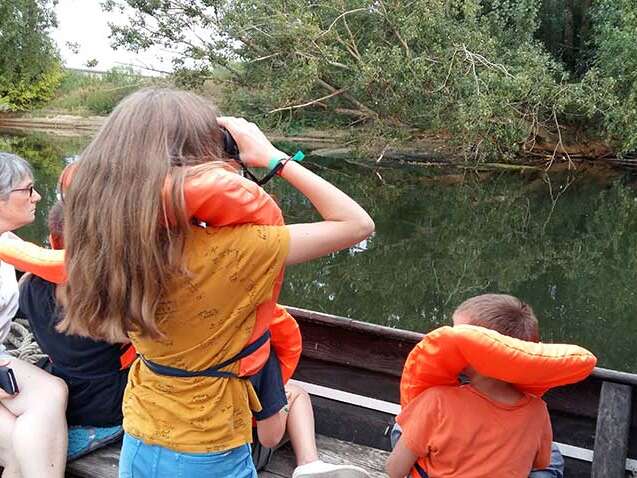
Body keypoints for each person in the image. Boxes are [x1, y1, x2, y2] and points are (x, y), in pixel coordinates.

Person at [59, 88, 375, 478]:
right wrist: (272, 158)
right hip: (208, 444)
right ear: (203, 159)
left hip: (140, 428)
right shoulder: (236, 250)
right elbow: (356, 224)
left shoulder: (105, 237)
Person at [386, 294, 555, 478]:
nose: (445, 343)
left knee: (401, 427)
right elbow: (540, 462)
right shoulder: (538, 411)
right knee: (554, 456)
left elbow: (394, 471)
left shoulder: (436, 402)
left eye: (454, 339)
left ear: (481, 354)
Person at [18, 201, 132, 460]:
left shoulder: (27, 286)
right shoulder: (116, 292)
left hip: (68, 394)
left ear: (53, 240)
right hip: (111, 402)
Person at [0, 152, 68, 478]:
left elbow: (51, 267)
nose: (37, 196)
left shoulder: (9, 245)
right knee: (19, 444)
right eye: (28, 189)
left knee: (55, 390)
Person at [250, 351, 369, 478]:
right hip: (238, 460)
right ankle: (308, 462)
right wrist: (281, 407)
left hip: (228, 440)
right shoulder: (261, 354)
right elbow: (270, 438)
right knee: (297, 394)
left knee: (292, 391)